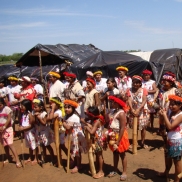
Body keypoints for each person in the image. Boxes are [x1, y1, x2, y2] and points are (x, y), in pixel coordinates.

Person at [158, 95, 182, 182]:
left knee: (177, 162)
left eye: (173, 105)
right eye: (170, 104)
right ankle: (166, 173)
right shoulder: (171, 113)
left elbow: (170, 126)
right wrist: (162, 116)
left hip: (177, 141)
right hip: (170, 139)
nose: (171, 106)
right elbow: (164, 126)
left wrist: (164, 115)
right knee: (168, 158)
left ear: (180, 106)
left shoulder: (180, 115)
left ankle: (177, 180)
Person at [106, 96, 130, 181]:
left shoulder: (121, 113)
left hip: (120, 135)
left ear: (117, 103)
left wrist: (118, 141)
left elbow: (122, 128)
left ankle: (124, 172)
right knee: (115, 153)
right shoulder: (113, 111)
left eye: (113, 102)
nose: (111, 104)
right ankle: (115, 169)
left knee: (122, 154)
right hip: (113, 134)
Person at [63, 99, 87, 173]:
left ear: (73, 108)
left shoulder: (75, 117)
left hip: (76, 136)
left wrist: (63, 122)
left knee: (77, 151)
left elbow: (68, 127)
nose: (66, 109)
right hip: (71, 136)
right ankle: (75, 162)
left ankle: (78, 165)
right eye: (65, 107)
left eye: (68, 107)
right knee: (73, 150)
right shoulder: (66, 116)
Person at [127, 75, 149, 149]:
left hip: (142, 111)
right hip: (133, 110)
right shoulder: (129, 90)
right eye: (134, 83)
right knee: (134, 127)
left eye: (137, 83)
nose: (135, 84)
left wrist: (139, 109)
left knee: (143, 128)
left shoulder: (144, 90)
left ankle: (142, 142)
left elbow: (144, 100)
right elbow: (129, 100)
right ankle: (134, 142)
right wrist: (132, 109)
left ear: (140, 83)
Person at [84, 106, 105, 179]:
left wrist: (87, 128)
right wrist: (87, 124)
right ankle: (98, 167)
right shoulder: (96, 120)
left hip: (98, 141)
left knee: (99, 155)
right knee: (98, 155)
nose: (87, 116)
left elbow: (92, 131)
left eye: (89, 115)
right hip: (97, 140)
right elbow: (93, 128)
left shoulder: (97, 121)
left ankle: (101, 171)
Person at [0, 98, 22, 168]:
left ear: (3, 104)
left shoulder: (7, 109)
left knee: (10, 144)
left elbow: (9, 118)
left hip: (8, 128)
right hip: (1, 129)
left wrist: (4, 126)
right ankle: (8, 157)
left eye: (0, 105)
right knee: (5, 144)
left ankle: (17, 160)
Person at [33, 99, 54, 164]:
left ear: (41, 107)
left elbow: (44, 123)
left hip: (44, 132)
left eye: (36, 107)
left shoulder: (44, 114)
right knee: (42, 145)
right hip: (39, 131)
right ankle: (44, 157)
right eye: (34, 107)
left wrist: (39, 118)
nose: (34, 108)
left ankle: (52, 158)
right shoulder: (35, 113)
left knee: (47, 145)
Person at [18, 99, 38, 165]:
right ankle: (30, 156)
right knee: (29, 145)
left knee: (33, 145)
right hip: (26, 132)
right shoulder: (23, 113)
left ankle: (36, 158)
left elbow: (31, 125)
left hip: (30, 132)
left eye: (22, 106)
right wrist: (21, 127)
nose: (21, 107)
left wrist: (23, 128)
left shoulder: (30, 113)